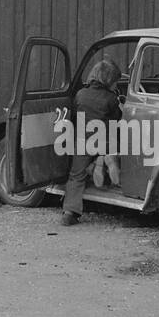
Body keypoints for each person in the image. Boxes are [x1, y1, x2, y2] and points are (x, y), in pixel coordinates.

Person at [62, 59, 121, 226]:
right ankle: (99, 164)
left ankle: (69, 211)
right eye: (115, 81)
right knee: (119, 149)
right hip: (103, 141)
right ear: (109, 80)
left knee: (75, 176)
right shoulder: (111, 98)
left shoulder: (80, 94)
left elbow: (74, 117)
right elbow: (117, 121)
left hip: (82, 142)